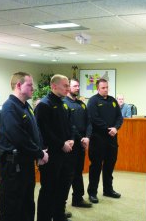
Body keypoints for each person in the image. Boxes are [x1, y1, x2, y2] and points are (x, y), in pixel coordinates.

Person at [0, 72, 49, 221]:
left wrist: (39, 150)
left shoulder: (25, 106)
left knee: (27, 205)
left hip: (25, 165)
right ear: (19, 86)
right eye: (30, 85)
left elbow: (34, 132)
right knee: (12, 208)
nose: (33, 88)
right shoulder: (10, 109)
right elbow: (20, 139)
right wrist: (39, 153)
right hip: (13, 168)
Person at [35, 74, 75, 221]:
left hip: (65, 153)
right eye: (65, 85)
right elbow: (43, 132)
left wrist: (71, 139)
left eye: (68, 85)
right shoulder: (44, 105)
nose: (68, 88)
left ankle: (58, 214)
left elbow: (69, 125)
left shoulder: (62, 103)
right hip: (51, 155)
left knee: (63, 187)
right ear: (53, 86)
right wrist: (61, 144)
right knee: (49, 190)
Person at [87, 78, 123, 203]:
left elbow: (119, 117)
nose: (106, 89)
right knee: (96, 166)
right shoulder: (93, 101)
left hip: (112, 139)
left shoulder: (113, 100)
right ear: (98, 88)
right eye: (103, 88)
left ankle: (108, 190)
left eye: (107, 87)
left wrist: (116, 128)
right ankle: (92, 192)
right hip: (98, 139)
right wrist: (109, 129)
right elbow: (94, 119)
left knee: (109, 165)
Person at [63, 78, 92, 208]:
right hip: (71, 144)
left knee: (78, 172)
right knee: (68, 175)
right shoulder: (64, 104)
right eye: (75, 86)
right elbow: (70, 126)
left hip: (82, 143)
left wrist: (87, 137)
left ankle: (78, 199)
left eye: (78, 86)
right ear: (68, 87)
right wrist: (81, 139)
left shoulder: (82, 104)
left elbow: (89, 122)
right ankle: (61, 206)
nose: (77, 88)